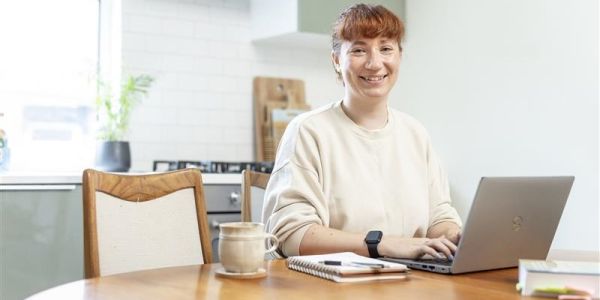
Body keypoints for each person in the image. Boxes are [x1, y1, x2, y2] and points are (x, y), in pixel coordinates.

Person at [261, 4, 462, 261]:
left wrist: (454, 237)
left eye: (386, 48)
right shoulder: (308, 131)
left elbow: (439, 216)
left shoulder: (415, 133)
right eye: (358, 50)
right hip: (332, 286)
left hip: (412, 281)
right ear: (336, 60)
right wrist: (384, 244)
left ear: (399, 56)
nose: (374, 63)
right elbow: (290, 235)